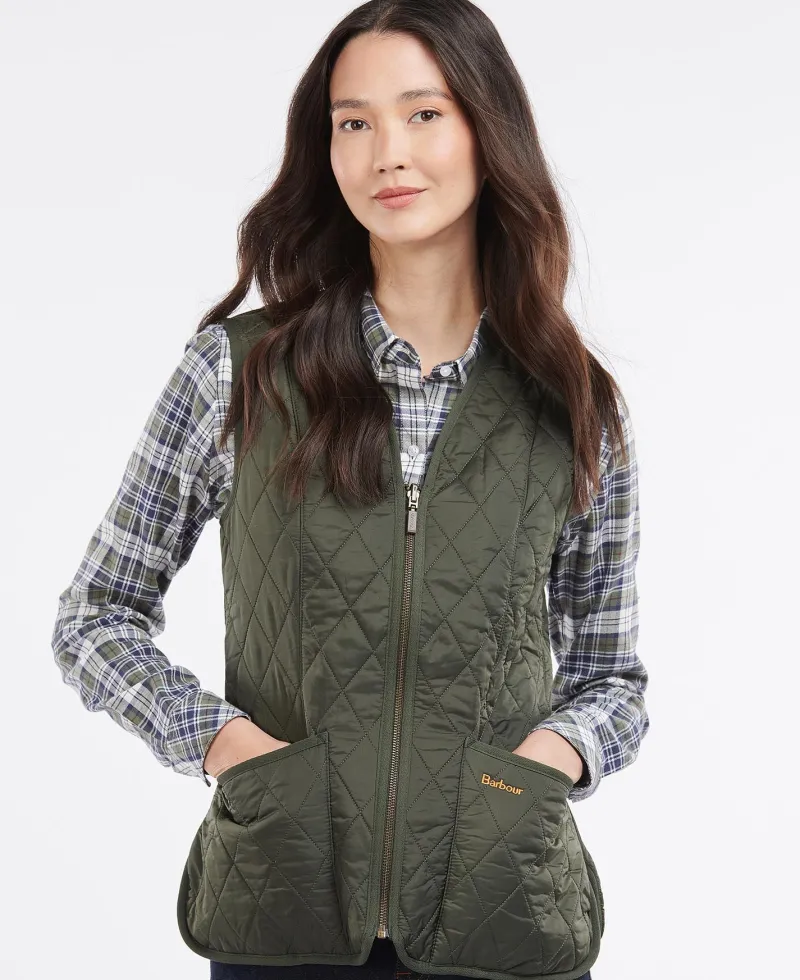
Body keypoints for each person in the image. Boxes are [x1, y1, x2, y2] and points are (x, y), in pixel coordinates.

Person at [51, 2, 649, 979]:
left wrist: (536, 773)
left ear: (487, 129)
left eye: (423, 113)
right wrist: (225, 744)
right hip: (282, 906)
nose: (387, 153)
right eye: (353, 121)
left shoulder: (574, 404)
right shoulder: (236, 374)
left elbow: (609, 679)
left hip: (500, 912)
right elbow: (95, 616)